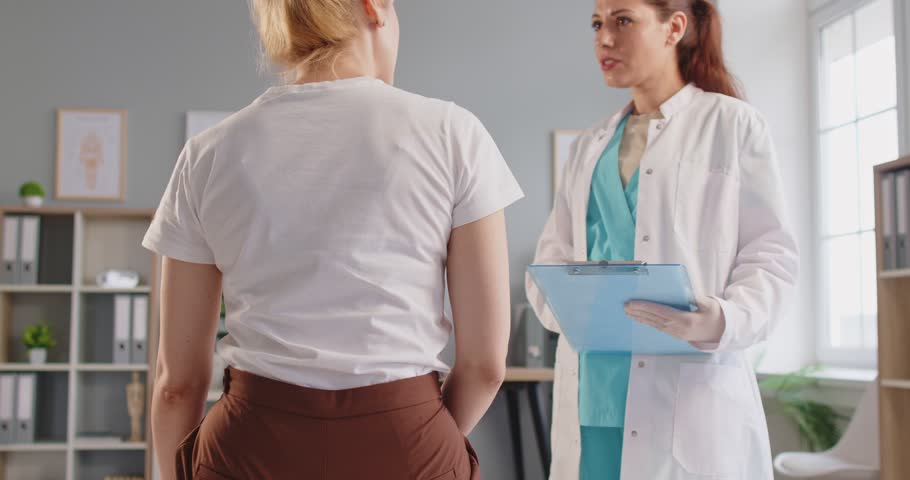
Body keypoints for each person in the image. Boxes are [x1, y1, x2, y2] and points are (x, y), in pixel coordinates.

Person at [143, 0, 524, 478]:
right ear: (374, 7)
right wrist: (420, 432)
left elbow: (176, 384)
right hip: (409, 445)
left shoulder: (208, 153)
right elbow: (486, 365)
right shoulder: (453, 133)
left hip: (249, 448)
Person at [526, 0, 799, 478]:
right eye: (597, 24)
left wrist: (722, 319)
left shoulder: (732, 125)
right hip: (594, 393)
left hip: (690, 394)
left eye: (622, 20)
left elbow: (771, 256)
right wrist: (562, 305)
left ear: (674, 27)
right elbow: (551, 258)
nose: (603, 39)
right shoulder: (589, 146)